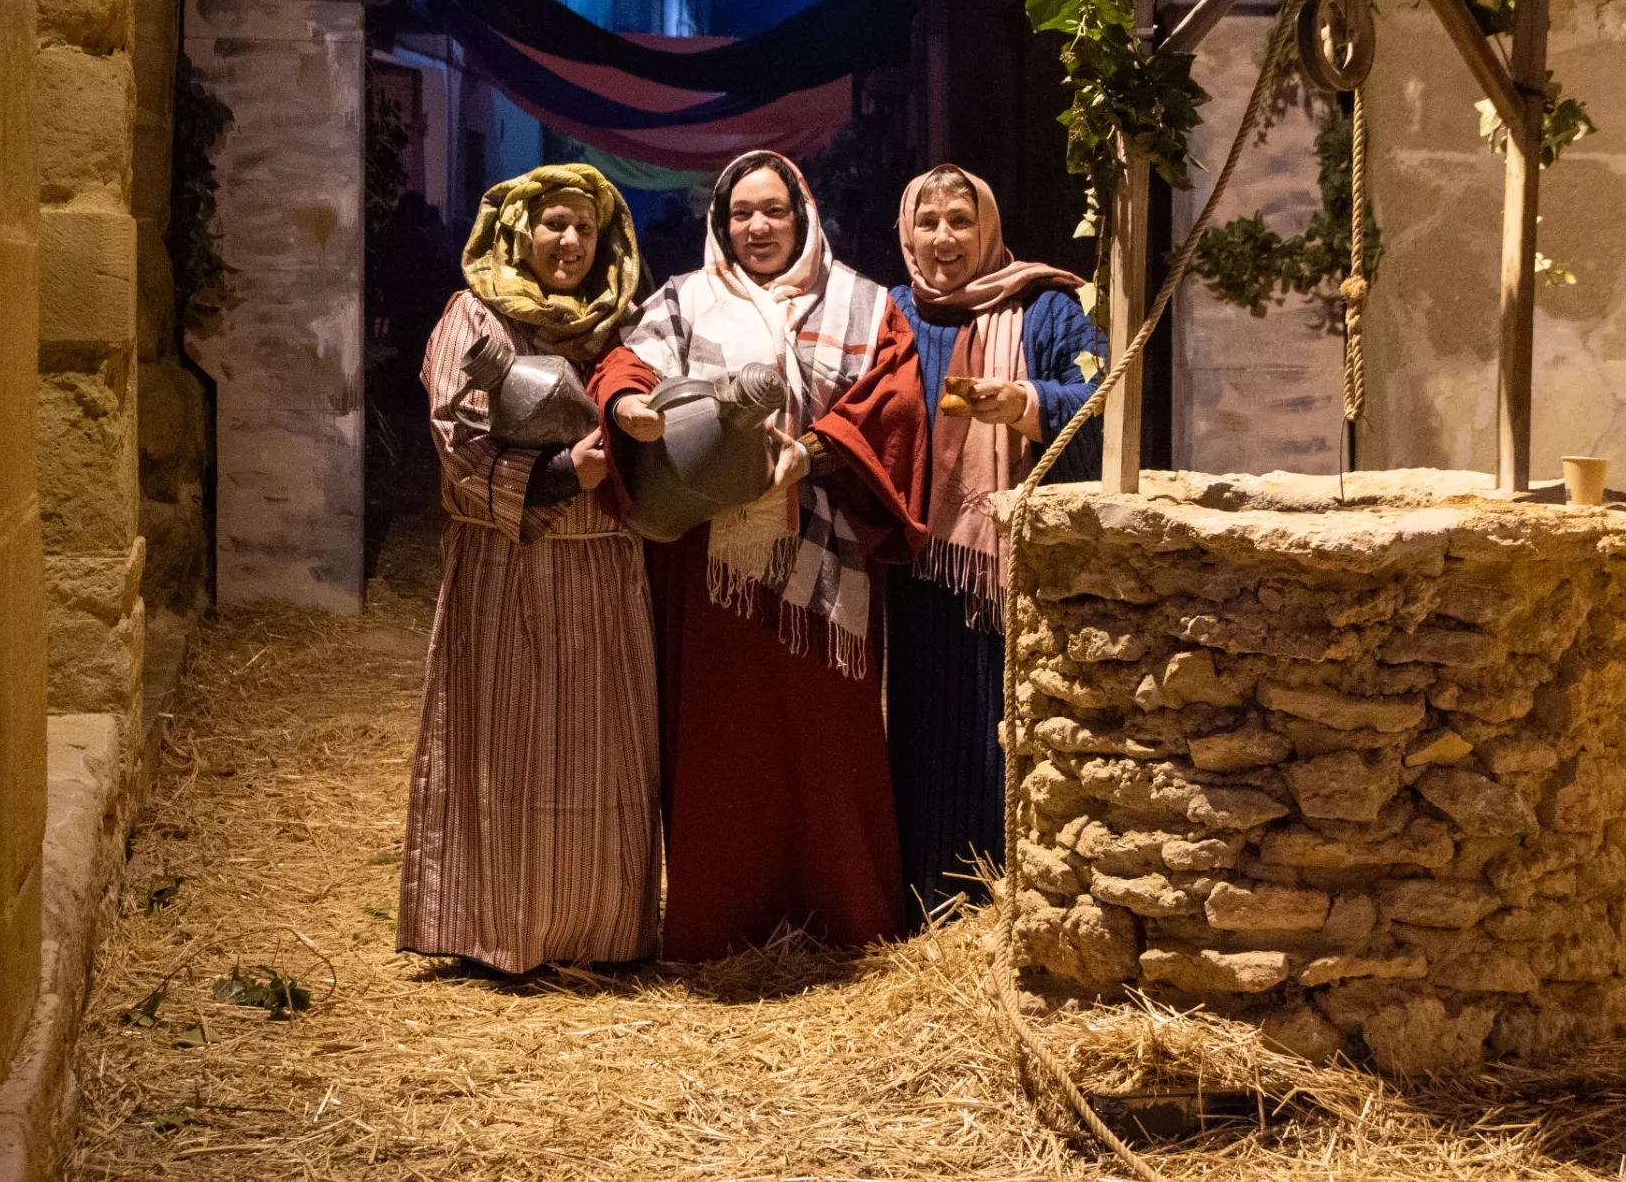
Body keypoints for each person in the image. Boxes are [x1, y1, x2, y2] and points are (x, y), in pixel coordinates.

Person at [595, 150, 928, 958]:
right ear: (720, 222)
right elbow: (624, 363)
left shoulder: (859, 304)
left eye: (773, 210)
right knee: (722, 742)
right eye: (741, 213)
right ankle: (721, 919)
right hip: (714, 564)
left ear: (802, 213)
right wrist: (631, 402)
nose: (757, 227)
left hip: (825, 559)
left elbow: (892, 397)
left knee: (825, 740)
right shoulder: (683, 300)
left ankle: (840, 909)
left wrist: (812, 453)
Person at [396, 164, 661, 970]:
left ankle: (600, 928)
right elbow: (455, 432)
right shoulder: (475, 318)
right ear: (520, 230)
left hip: (601, 571)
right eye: (553, 224)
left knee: (598, 746)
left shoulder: (623, 323)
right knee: (503, 747)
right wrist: (551, 478)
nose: (570, 242)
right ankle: (500, 928)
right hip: (508, 564)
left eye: (586, 227)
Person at [888, 165, 1106, 922]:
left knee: (1005, 736)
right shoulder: (889, 314)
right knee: (921, 736)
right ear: (906, 233)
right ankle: (925, 908)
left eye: (961, 221)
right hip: (916, 573)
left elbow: (1104, 403)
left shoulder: (1046, 309)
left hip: (1013, 578)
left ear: (989, 228)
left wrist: (1027, 402)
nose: (945, 239)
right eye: (929, 222)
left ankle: (1010, 908)